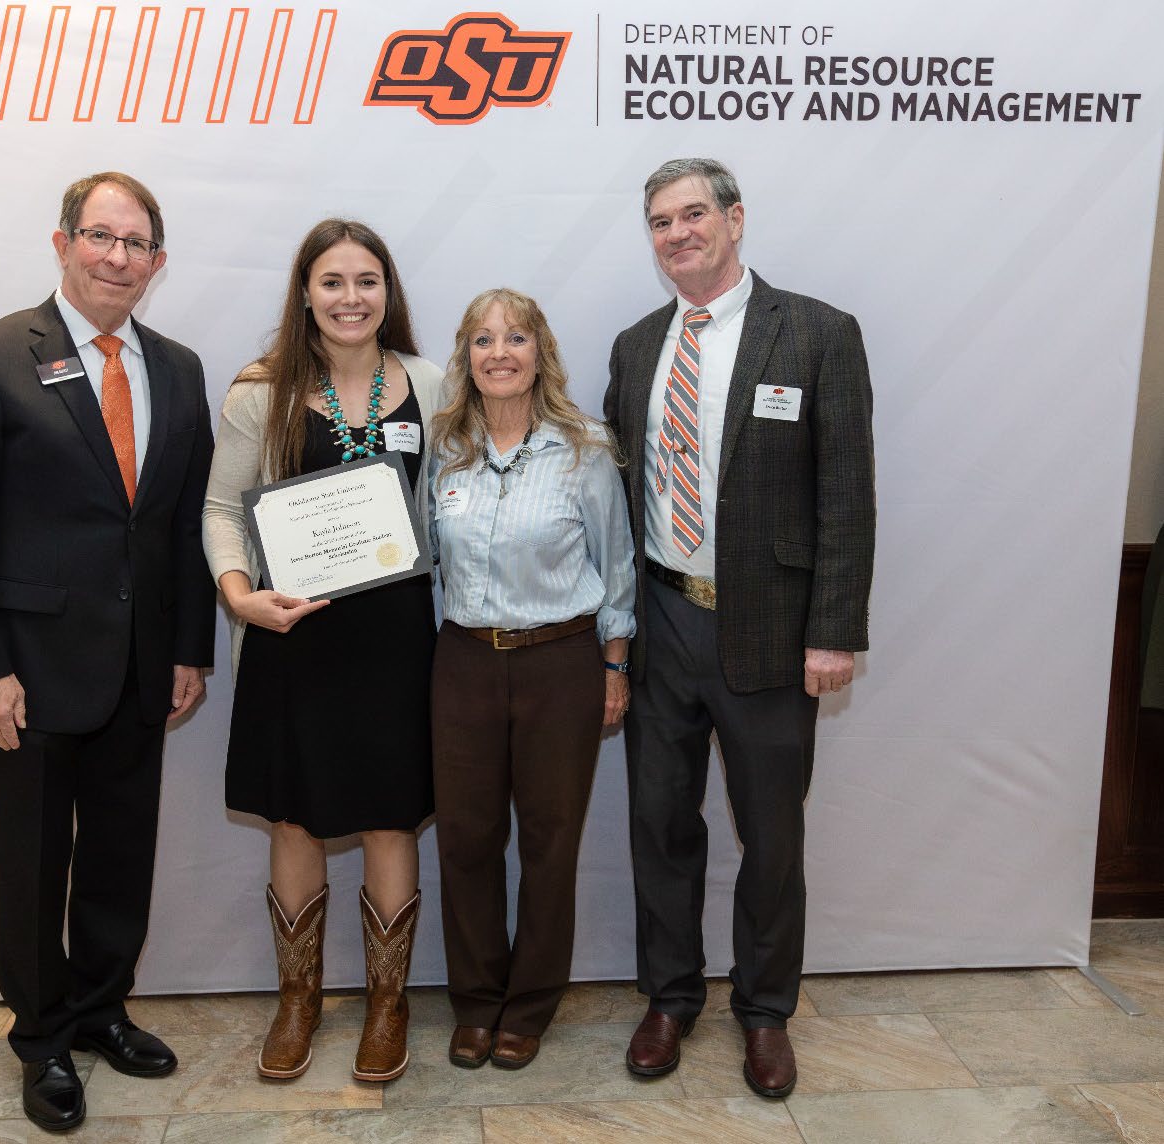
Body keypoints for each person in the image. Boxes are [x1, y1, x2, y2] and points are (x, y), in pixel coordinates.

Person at [0, 172, 216, 1131]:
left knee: (119, 858)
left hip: (141, 668)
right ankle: (41, 1037)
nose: (117, 258)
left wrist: (188, 650)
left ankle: (100, 1009)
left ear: (158, 263)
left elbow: (178, 525)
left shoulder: (177, 368)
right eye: (101, 237)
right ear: (63, 244)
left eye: (137, 245)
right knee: (35, 864)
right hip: (28, 671)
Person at [603, 157, 875, 1097]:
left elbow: (846, 493)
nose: (677, 234)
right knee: (659, 827)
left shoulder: (816, 333)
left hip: (769, 633)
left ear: (734, 218)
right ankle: (670, 998)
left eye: (692, 215)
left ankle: (764, 1013)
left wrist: (832, 630)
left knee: (771, 837)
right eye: (659, 222)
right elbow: (617, 492)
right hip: (659, 622)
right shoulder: (636, 347)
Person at [202, 219, 442, 1083]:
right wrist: (239, 596)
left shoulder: (429, 382)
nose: (350, 298)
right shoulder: (260, 391)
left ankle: (386, 1004)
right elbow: (221, 510)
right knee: (295, 817)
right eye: (332, 281)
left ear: (388, 292)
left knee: (389, 815)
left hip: (397, 641)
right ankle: (297, 1000)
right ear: (304, 293)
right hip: (291, 636)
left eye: (366, 280)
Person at [429, 288, 635, 1070]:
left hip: (560, 663)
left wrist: (613, 668)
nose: (499, 353)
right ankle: (476, 1002)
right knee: (466, 840)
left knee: (550, 842)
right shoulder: (444, 447)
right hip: (463, 663)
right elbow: (415, 557)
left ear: (540, 351)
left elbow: (616, 567)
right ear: (466, 356)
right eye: (482, 339)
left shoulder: (584, 448)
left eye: (515, 337)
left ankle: (529, 1005)